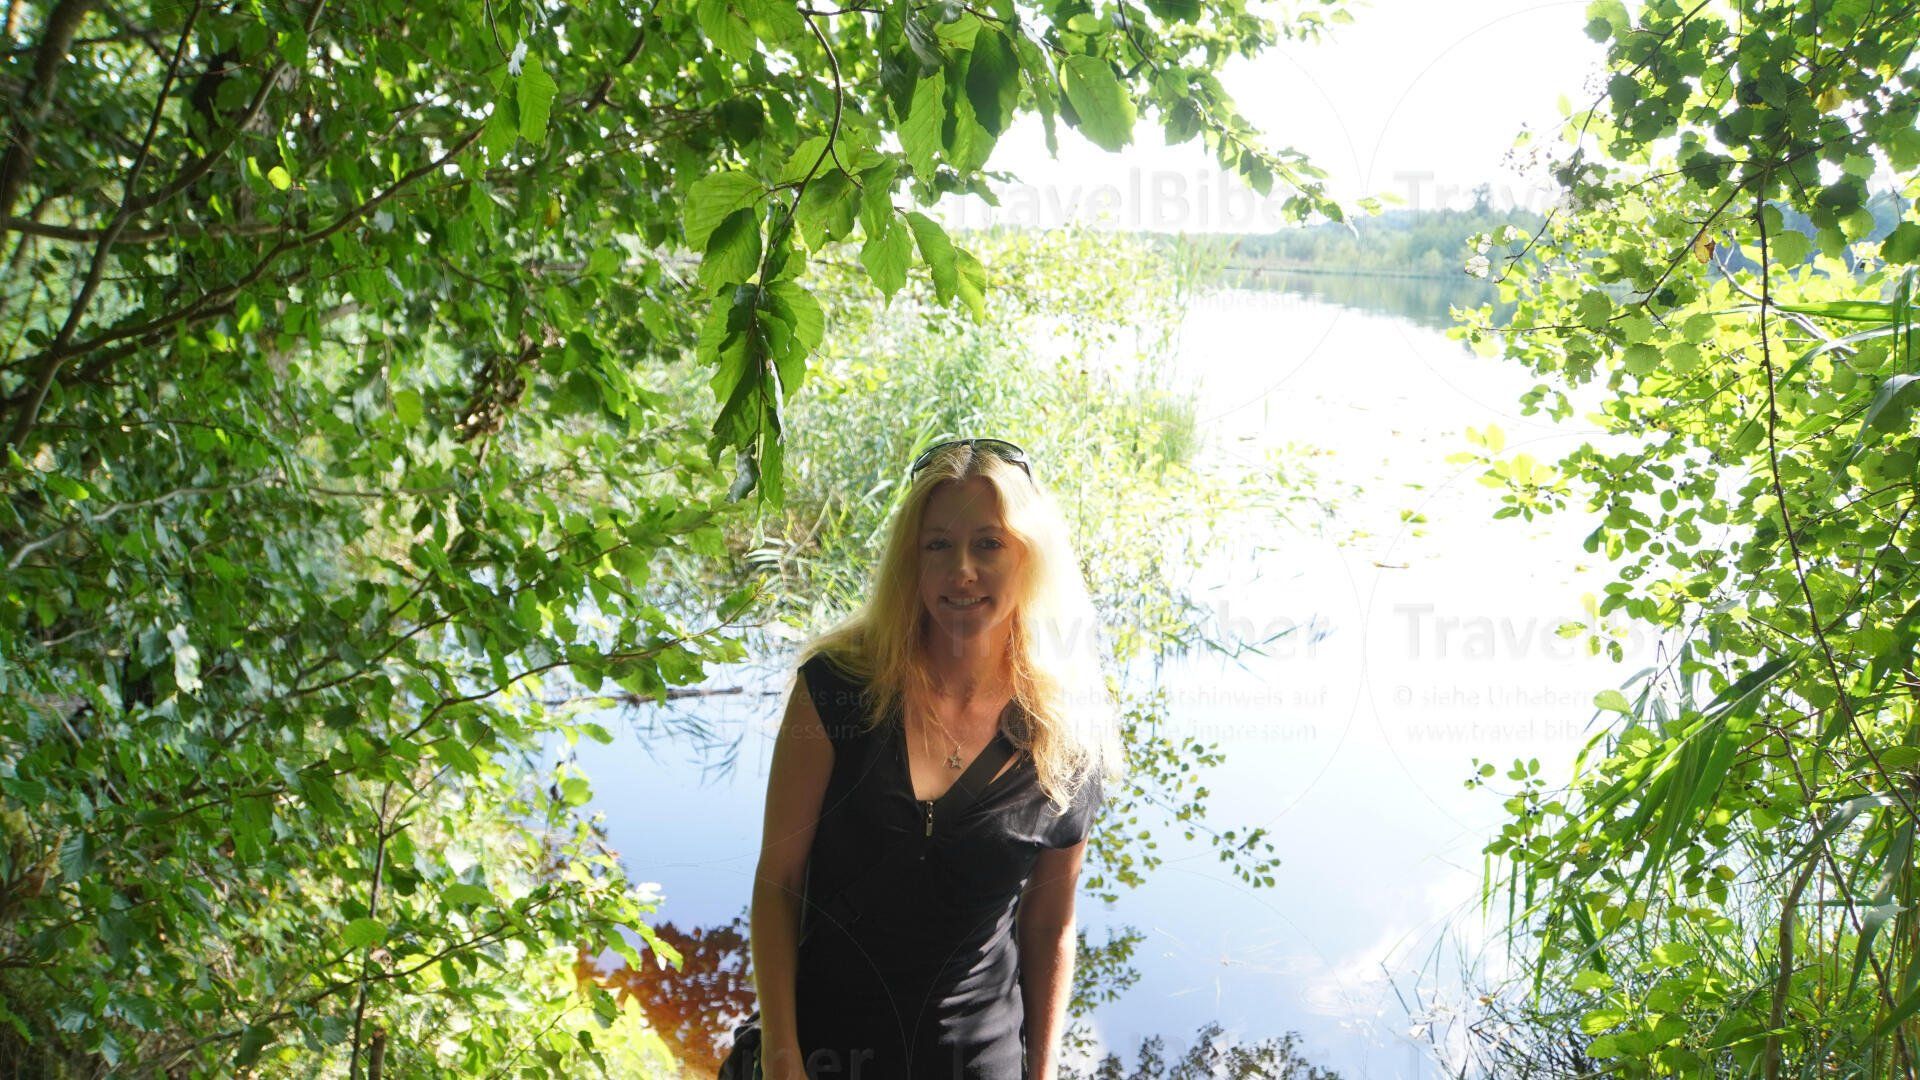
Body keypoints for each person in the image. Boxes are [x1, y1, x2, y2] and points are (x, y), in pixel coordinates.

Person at [749, 437, 1124, 1080]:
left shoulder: (1066, 732)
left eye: (988, 543)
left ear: (1030, 557)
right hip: (822, 1048)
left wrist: (1041, 1073)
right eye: (938, 545)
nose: (962, 571)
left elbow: (1048, 926)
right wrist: (781, 1056)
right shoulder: (838, 689)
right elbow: (779, 882)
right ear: (911, 561)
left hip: (978, 1060)